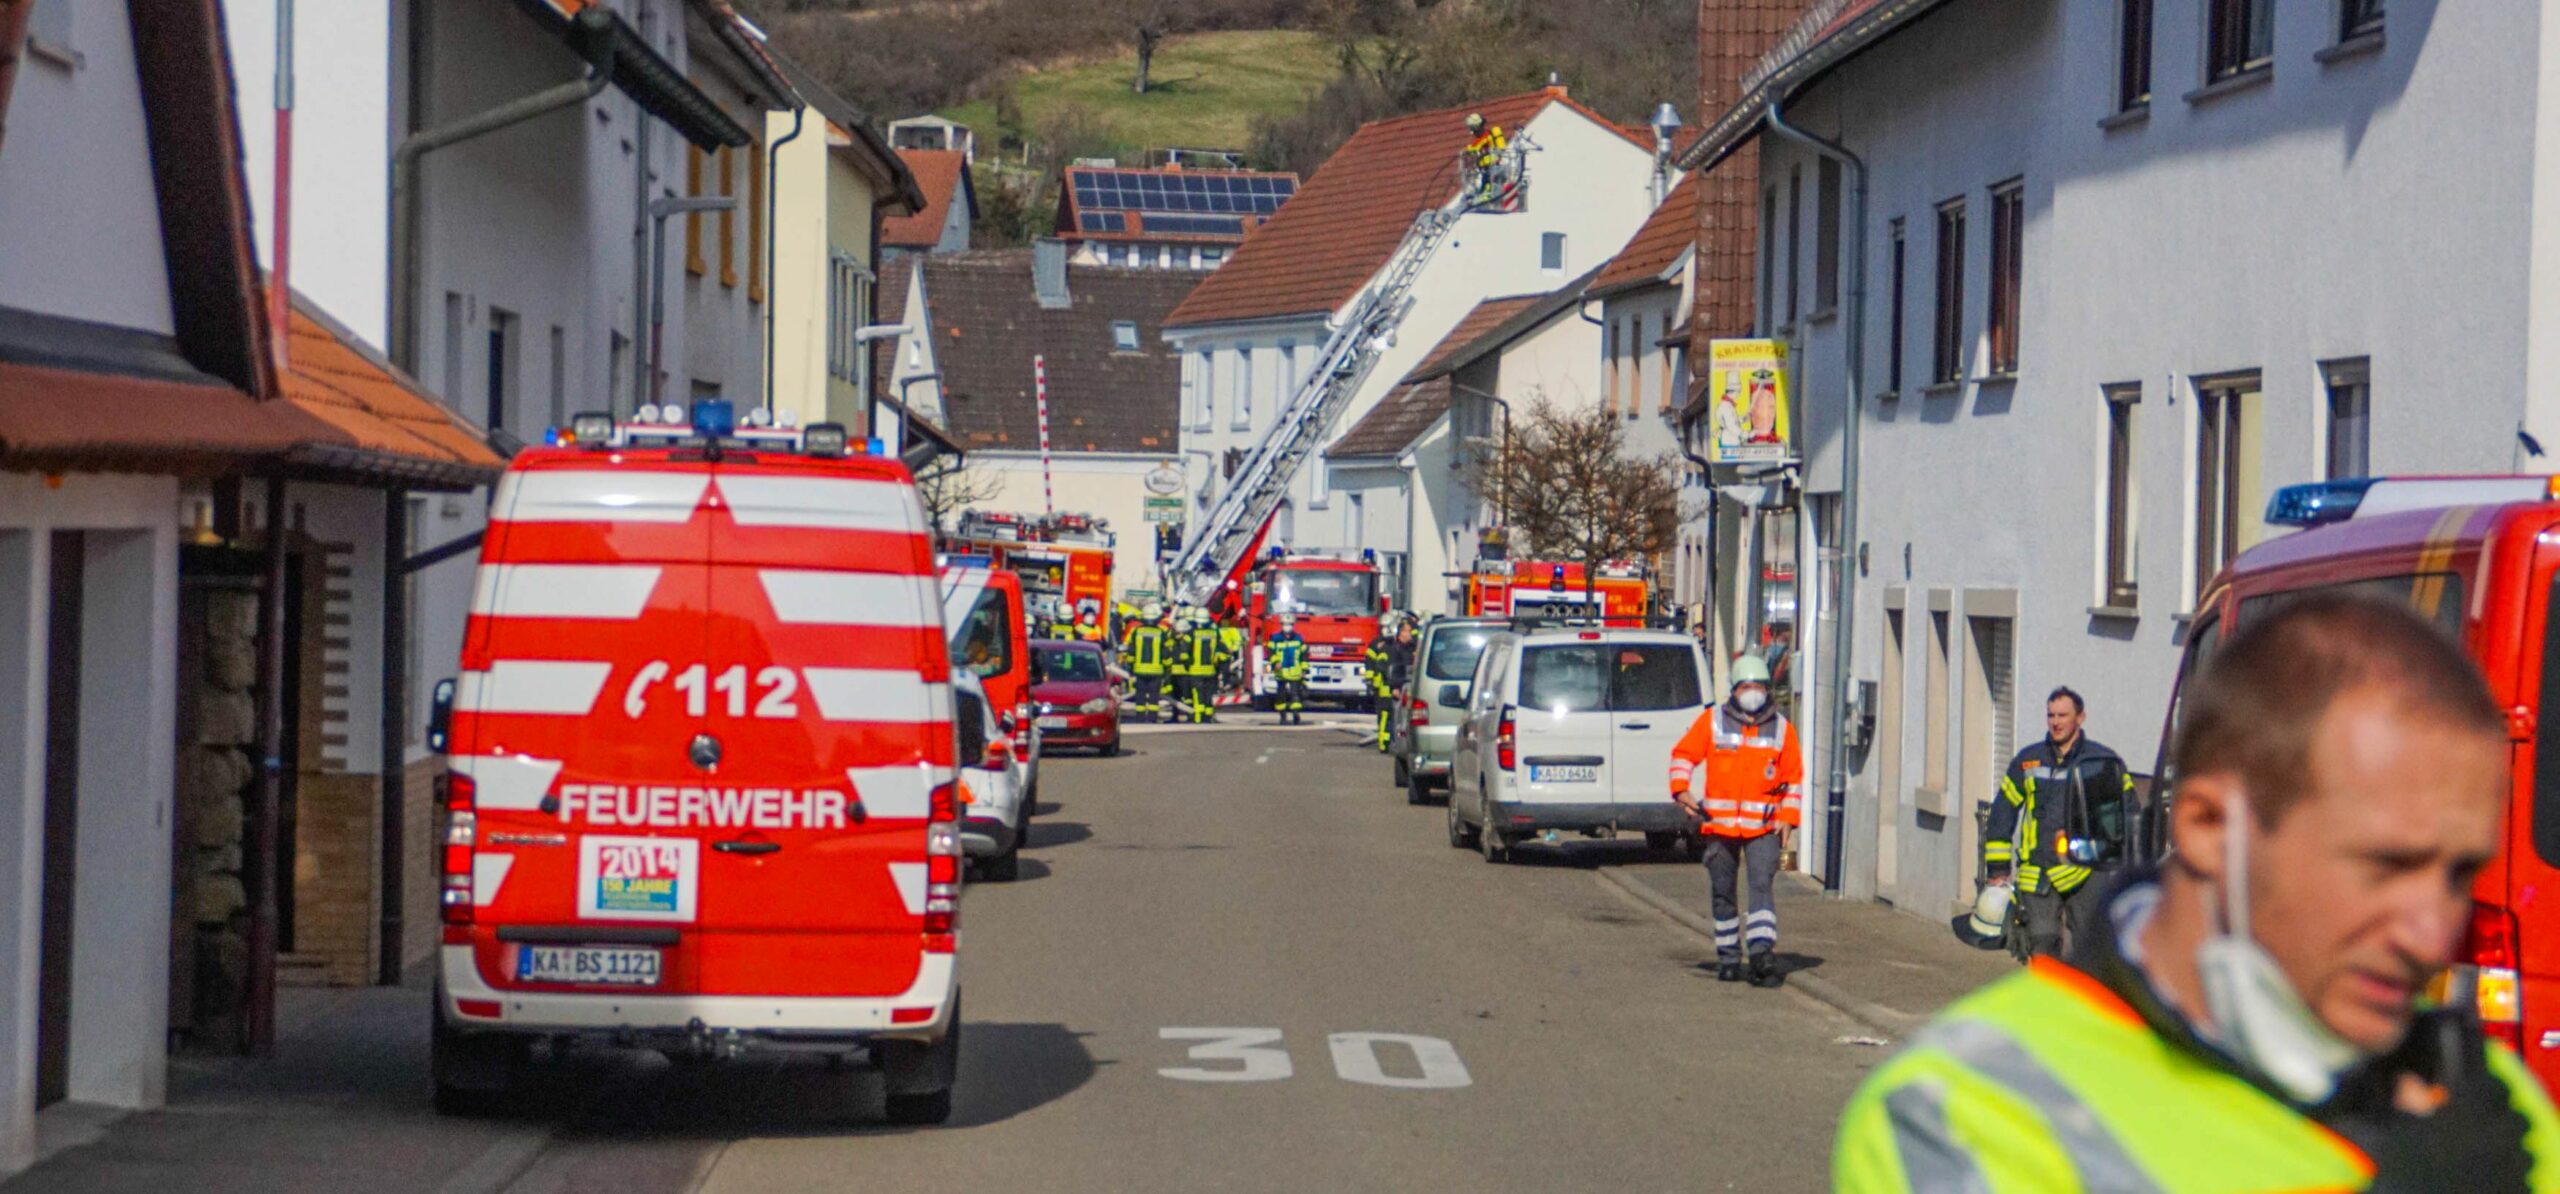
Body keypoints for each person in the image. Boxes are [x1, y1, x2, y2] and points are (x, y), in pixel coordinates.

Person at [1834, 595, 2560, 1191]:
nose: (2431, 934)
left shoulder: (2481, 1094)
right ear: (2209, 825)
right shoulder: (1959, 1111)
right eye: (2380, 866)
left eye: (2458, 874)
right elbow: (2005, 810)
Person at [1668, 653, 1802, 988]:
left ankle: (1761, 955)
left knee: (1761, 887)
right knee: (1723, 892)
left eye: (1759, 685)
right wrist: (1681, 790)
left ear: (1768, 690)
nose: (1753, 691)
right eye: (1746, 685)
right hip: (1720, 826)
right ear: (1735, 689)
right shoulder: (1712, 721)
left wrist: (1788, 818)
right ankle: (1728, 957)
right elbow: (1684, 755)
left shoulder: (1783, 730)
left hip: (1763, 828)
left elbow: (1794, 780)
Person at [1976, 686, 2136, 959]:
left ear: (2080, 717)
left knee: (2092, 948)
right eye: (2051, 715)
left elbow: (2128, 813)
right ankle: (2045, 999)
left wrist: (2122, 865)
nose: (2055, 722)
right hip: (2038, 871)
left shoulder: (2103, 761)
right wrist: (1998, 870)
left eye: (2063, 715)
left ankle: (2084, 999)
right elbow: (2003, 813)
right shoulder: (2028, 762)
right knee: (2041, 945)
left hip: (2086, 867)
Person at [1124, 602, 1170, 723]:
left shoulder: (1136, 632)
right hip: (1156, 671)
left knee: (1140, 695)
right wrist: (1166, 669)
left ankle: (1140, 718)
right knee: (1154, 696)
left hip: (1139, 670)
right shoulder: (1162, 633)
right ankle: (1152, 718)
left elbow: (1131, 652)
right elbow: (1166, 653)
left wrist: (1131, 670)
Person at [1178, 608, 1223, 724]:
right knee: (1208, 697)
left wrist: (1188, 666)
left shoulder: (1191, 634)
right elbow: (1221, 652)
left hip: (1195, 671)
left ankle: (1198, 719)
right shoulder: (1214, 633)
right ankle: (1208, 718)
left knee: (1198, 696)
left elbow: (1184, 653)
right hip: (1210, 671)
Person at [1267, 614, 1309, 726]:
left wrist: (1304, 669)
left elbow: (1304, 655)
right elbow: (1270, 652)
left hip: (1295, 672)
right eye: (1285, 624)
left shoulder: (1298, 638)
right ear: (1281, 625)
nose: (1287, 627)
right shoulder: (1275, 638)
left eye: (1289, 624)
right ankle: (1283, 716)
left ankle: (1296, 715)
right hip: (1281, 672)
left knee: (1295, 695)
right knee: (1280, 695)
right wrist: (1275, 663)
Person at [1462, 112, 1508, 206]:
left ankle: (1487, 194)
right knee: (1485, 179)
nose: (1473, 132)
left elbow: (1477, 146)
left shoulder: (1486, 135)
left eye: (1473, 129)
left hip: (1491, 163)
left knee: (1487, 180)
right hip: (1487, 165)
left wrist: (1468, 149)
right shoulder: (1483, 136)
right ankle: (1483, 193)